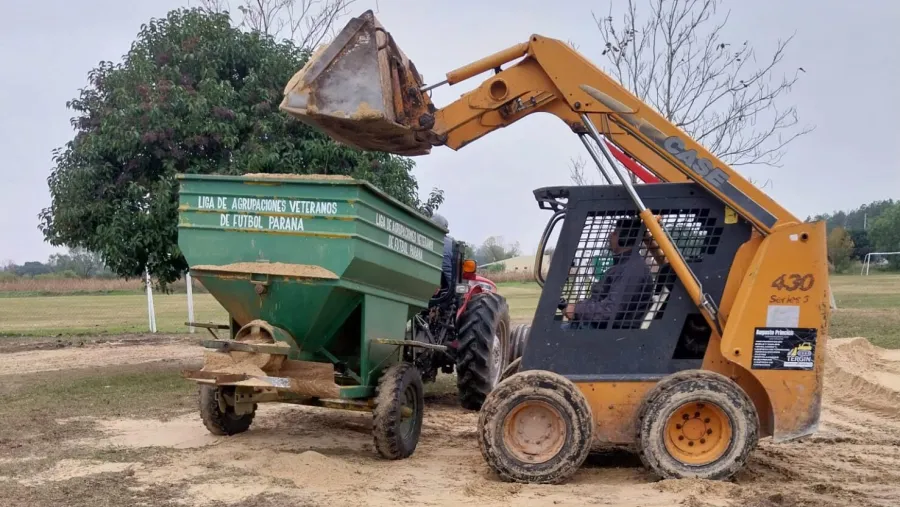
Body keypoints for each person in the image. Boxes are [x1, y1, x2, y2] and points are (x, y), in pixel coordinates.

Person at [563, 216, 655, 329]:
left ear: (625, 238)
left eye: (615, 232)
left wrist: (577, 310)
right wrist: (578, 308)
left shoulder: (631, 270)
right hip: (605, 328)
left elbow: (611, 310)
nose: (610, 235)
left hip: (612, 331)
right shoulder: (623, 265)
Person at [431, 213, 454, 292]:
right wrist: (452, 290)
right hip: (443, 283)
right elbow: (447, 269)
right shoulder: (450, 244)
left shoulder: (424, 237)